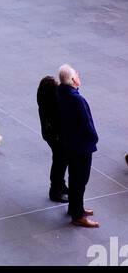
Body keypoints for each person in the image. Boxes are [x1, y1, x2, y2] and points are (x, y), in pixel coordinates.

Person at [56, 64, 99, 227]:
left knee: (74, 178)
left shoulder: (60, 93)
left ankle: (75, 207)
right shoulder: (77, 99)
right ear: (73, 79)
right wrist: (94, 138)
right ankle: (77, 214)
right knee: (81, 180)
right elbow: (87, 124)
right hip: (81, 146)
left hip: (69, 143)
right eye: (76, 74)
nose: (78, 76)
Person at [37, 75, 68, 204]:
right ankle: (55, 190)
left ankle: (60, 185)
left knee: (59, 161)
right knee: (59, 163)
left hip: (50, 135)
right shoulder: (54, 105)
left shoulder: (43, 99)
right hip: (56, 137)